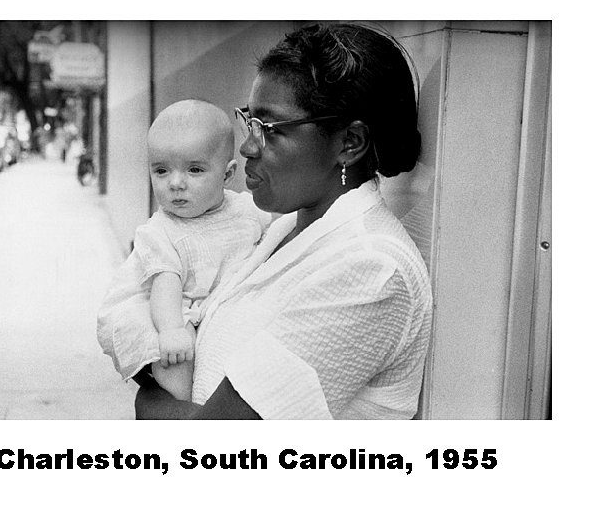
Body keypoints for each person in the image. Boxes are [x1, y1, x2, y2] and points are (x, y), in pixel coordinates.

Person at [99, 22, 432, 419]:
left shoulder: (372, 270)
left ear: (349, 143)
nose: (246, 146)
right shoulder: (280, 230)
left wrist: (148, 399)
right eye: (249, 121)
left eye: (270, 129)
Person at [97, 99, 271, 401]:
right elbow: (166, 284)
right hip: (179, 309)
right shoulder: (160, 231)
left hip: (226, 303)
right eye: (161, 171)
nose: (175, 183)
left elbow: (269, 241)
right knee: (178, 357)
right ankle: (183, 407)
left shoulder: (246, 210)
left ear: (227, 175)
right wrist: (171, 330)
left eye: (194, 170)